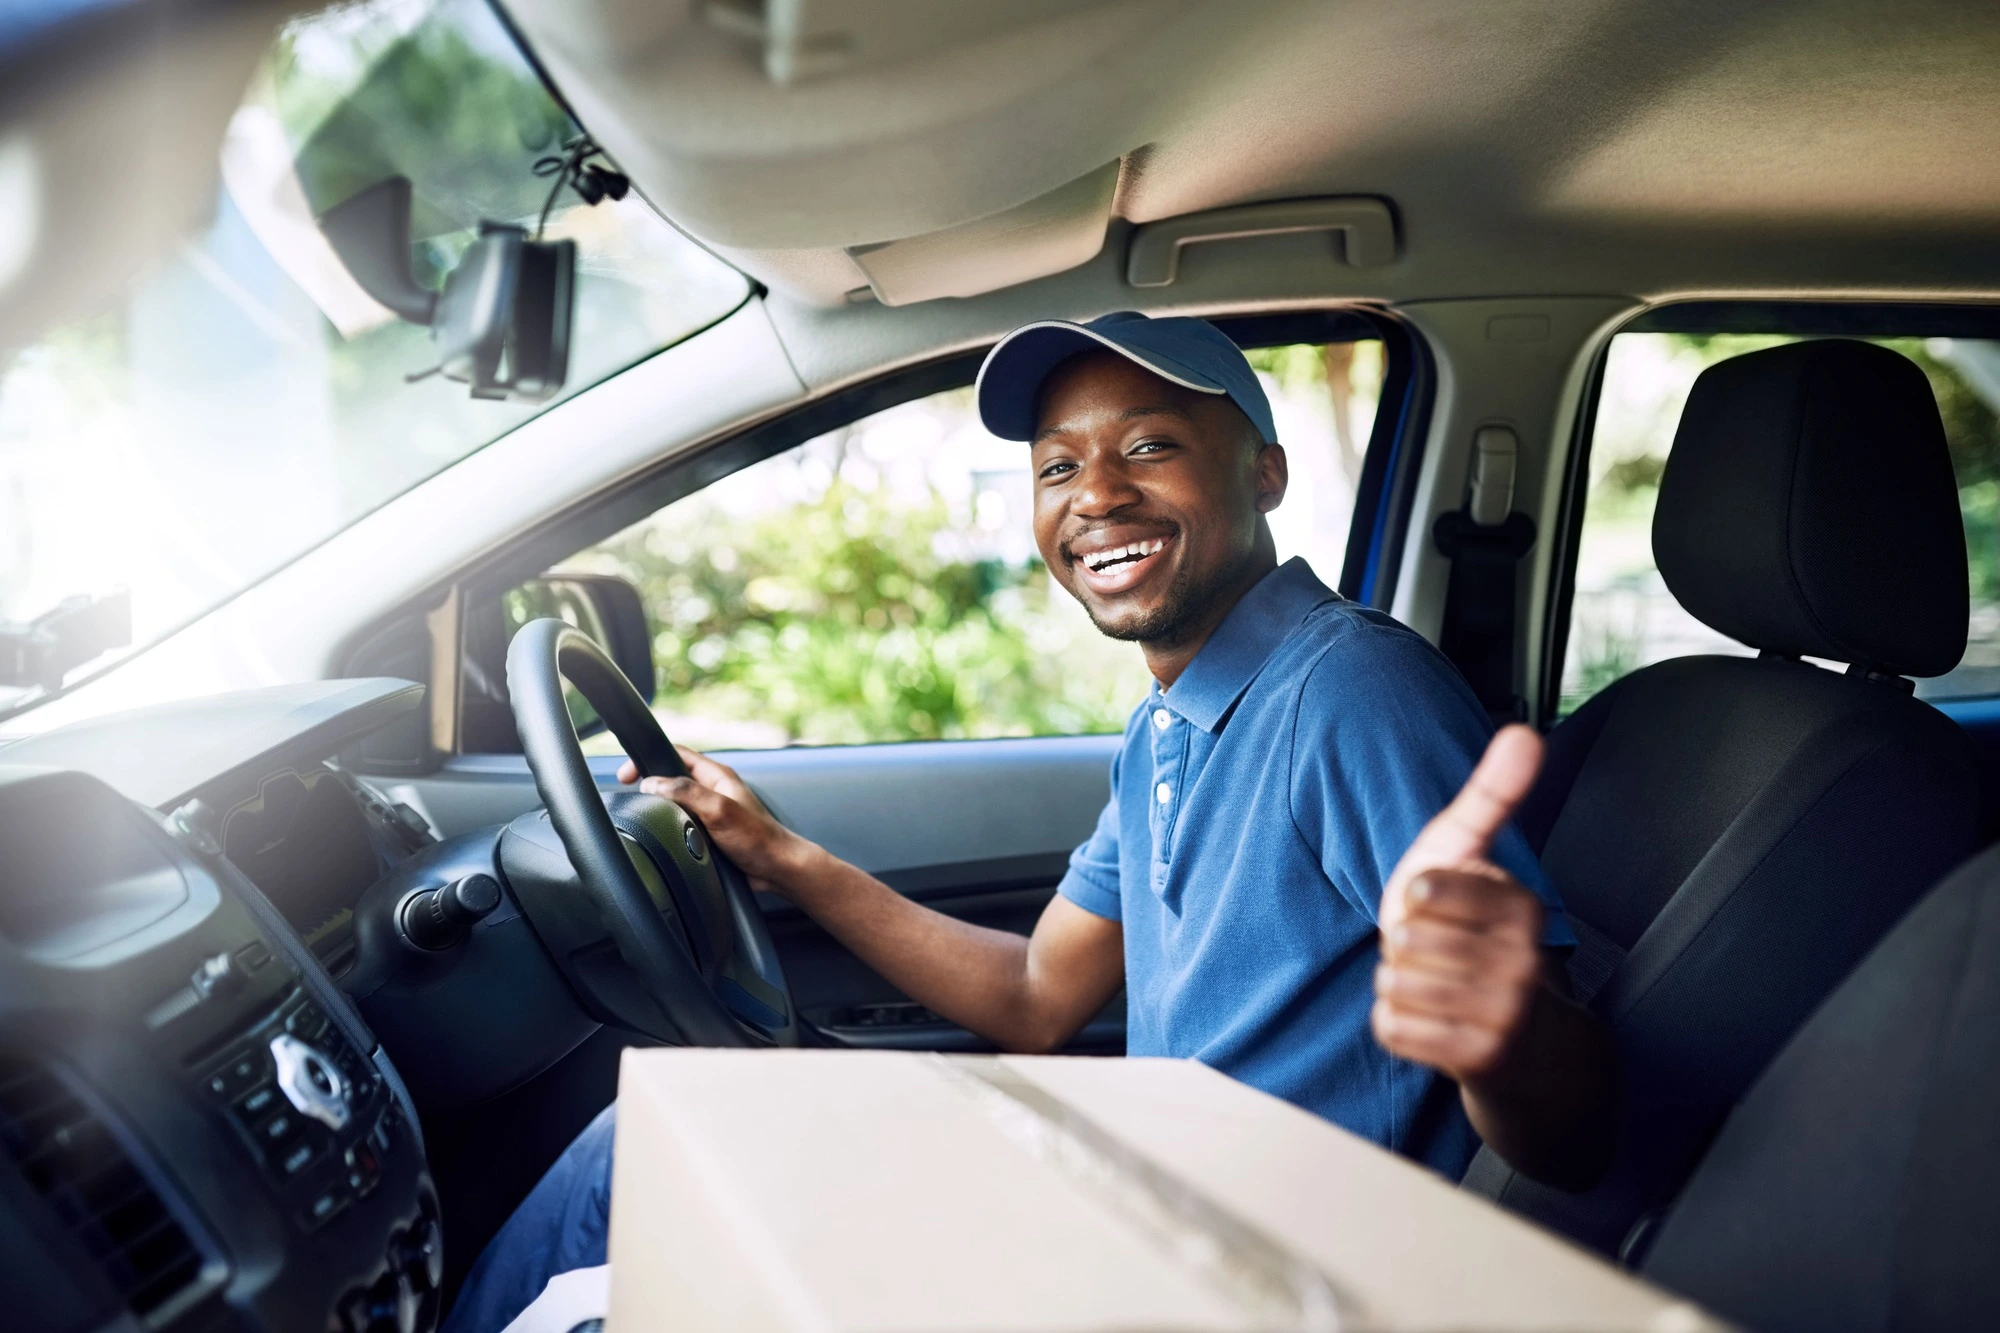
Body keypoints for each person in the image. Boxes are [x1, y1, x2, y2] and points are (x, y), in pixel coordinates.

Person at [445, 312, 1605, 1333]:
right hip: (1149, 1199)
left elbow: (1566, 1137)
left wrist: (1494, 1029)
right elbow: (1039, 996)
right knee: (642, 1149)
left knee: (636, 1217)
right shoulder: (1171, 719)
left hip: (1256, 1270)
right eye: (1058, 467)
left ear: (1262, 473)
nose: (1095, 495)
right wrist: (778, 852)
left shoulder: (1351, 692)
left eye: (1148, 445)